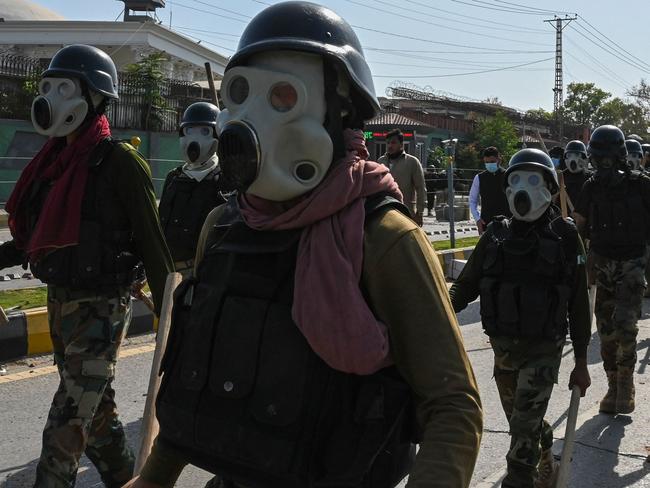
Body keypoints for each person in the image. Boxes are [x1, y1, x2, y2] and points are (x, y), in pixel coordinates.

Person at [125, 2, 482, 487]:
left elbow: (452, 406)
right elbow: (198, 366)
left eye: (283, 97)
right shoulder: (225, 226)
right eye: (240, 93)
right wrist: (154, 477)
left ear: (339, 116)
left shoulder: (384, 239)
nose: (248, 120)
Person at [0, 45, 173, 487]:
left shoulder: (119, 162)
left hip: (101, 308)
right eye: (48, 88)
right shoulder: (51, 165)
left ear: (95, 97)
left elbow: (155, 249)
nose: (51, 98)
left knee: (66, 423)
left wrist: (172, 321)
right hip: (60, 302)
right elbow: (29, 239)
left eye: (65, 88)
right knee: (97, 422)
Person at [450, 148, 591, 488]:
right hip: (504, 350)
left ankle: (520, 478)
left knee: (523, 433)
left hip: (544, 348)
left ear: (548, 187)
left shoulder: (565, 236)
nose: (522, 189)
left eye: (532, 179)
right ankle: (545, 458)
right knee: (522, 422)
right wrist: (434, 309)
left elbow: (578, 304)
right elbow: (464, 287)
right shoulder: (496, 235)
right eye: (516, 180)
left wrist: (582, 361)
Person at [573, 125, 650, 415]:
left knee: (626, 327)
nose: (604, 163)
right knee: (605, 331)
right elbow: (578, 226)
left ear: (620, 155)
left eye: (608, 157)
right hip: (600, 265)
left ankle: (627, 385)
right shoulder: (591, 187)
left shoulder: (642, 185)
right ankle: (613, 383)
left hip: (632, 264)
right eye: (599, 157)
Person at [158, 102, 229, 277]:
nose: (194, 139)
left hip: (201, 274)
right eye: (189, 131)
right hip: (167, 271)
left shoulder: (225, 181)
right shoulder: (174, 178)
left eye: (205, 131)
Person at [378, 129, 426, 226]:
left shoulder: (412, 162)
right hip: (384, 212)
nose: (390, 146)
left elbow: (420, 188)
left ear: (401, 144)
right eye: (388, 143)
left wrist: (419, 213)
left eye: (393, 143)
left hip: (406, 212)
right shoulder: (381, 162)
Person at [469, 146, 511, 234]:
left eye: (492, 162)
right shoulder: (479, 178)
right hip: (486, 223)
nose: (489, 164)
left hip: (507, 223)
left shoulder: (508, 176)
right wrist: (477, 219)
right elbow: (472, 201)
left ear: (499, 159)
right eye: (486, 162)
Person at [560, 140, 591, 215]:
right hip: (563, 220)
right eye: (569, 155)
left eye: (577, 155)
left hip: (584, 220)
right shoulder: (560, 177)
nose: (573, 159)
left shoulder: (590, 178)